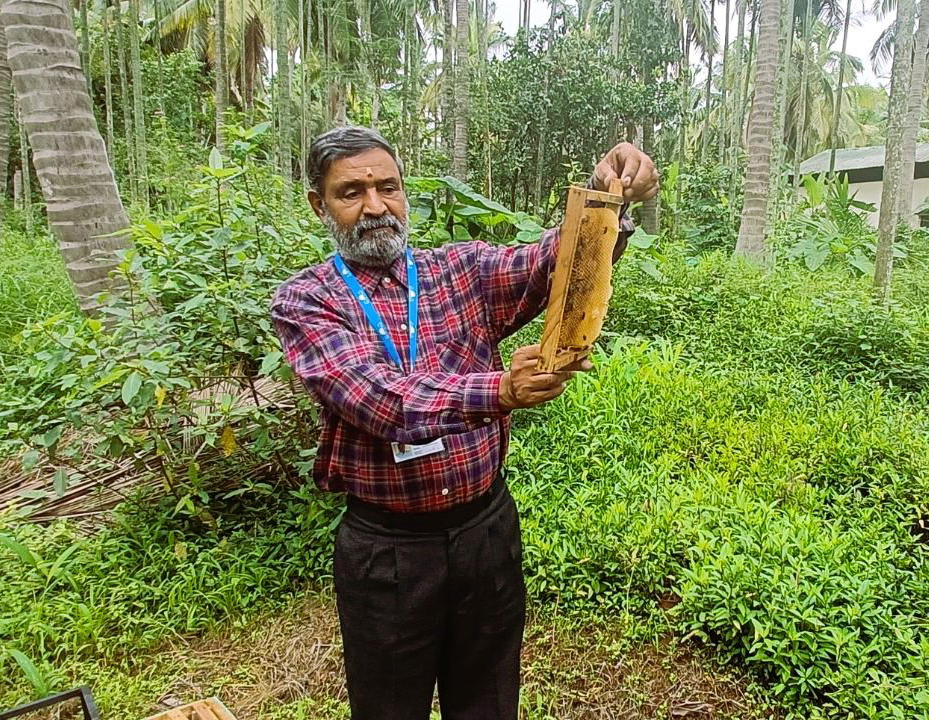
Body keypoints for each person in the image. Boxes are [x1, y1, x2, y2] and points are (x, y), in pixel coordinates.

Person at [270, 126, 659, 720]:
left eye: (387, 187)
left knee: (489, 700)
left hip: (485, 531)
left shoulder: (460, 270)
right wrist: (500, 389)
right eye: (352, 192)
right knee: (390, 707)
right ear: (318, 204)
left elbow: (549, 264)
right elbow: (378, 398)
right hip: (389, 550)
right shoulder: (306, 300)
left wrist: (609, 199)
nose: (375, 206)